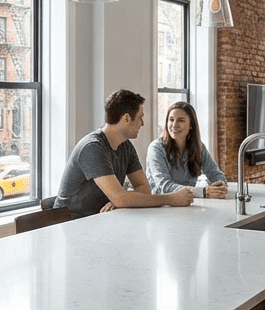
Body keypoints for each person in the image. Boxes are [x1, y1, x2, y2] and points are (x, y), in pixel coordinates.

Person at [53, 90, 195, 218]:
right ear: (126, 118)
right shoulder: (92, 147)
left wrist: (121, 200)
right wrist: (170, 199)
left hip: (102, 220)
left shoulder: (126, 146)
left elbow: (144, 188)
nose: (143, 123)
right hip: (71, 223)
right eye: (140, 117)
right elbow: (121, 198)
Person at [146, 102, 229, 199]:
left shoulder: (198, 147)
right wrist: (203, 192)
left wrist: (220, 187)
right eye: (171, 120)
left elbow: (215, 174)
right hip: (162, 207)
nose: (174, 125)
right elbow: (165, 186)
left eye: (180, 120)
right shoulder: (156, 148)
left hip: (189, 205)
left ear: (191, 125)